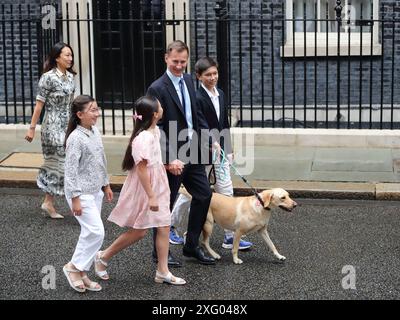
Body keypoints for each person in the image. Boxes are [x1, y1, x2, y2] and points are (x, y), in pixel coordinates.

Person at [94, 96, 186, 285]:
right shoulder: (142, 138)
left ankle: (162, 271)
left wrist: (168, 166)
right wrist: (151, 196)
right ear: (155, 114)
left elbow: (152, 161)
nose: (162, 107)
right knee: (140, 231)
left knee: (164, 226)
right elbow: (142, 169)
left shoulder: (154, 132)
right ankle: (103, 256)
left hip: (158, 183)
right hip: (147, 187)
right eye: (160, 106)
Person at [169, 57, 253, 251]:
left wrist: (228, 149)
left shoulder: (220, 94)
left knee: (226, 191)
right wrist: (210, 143)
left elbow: (224, 123)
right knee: (191, 194)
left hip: (221, 151)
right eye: (208, 75)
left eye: (215, 73)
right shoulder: (196, 97)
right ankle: (171, 225)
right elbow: (198, 125)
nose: (213, 77)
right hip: (200, 152)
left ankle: (230, 236)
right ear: (198, 76)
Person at [147, 40, 215, 266]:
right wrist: (168, 158)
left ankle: (191, 245)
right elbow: (157, 126)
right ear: (166, 58)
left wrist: (208, 137)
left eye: (183, 62)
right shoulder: (157, 87)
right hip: (173, 156)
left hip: (192, 150)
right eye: (175, 61)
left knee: (204, 194)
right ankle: (160, 253)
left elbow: (195, 113)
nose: (179, 66)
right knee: (166, 205)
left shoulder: (188, 80)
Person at [63, 95, 113, 293]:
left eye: (97, 108)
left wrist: (106, 184)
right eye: (92, 110)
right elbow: (70, 171)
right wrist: (75, 198)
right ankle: (73, 267)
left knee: (89, 232)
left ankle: (82, 272)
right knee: (96, 231)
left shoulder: (94, 131)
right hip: (80, 194)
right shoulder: (75, 138)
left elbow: (101, 159)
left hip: (95, 191)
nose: (97, 113)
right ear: (79, 114)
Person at [24, 42, 76, 219]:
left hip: (67, 125)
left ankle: (49, 201)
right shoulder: (47, 78)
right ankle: (63, 201)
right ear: (56, 57)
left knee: (62, 162)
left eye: (71, 55)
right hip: (52, 127)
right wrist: (32, 128)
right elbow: (39, 106)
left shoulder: (70, 77)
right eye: (66, 55)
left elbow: (71, 105)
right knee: (59, 161)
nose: (70, 58)